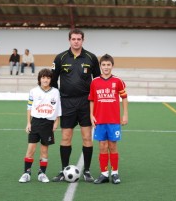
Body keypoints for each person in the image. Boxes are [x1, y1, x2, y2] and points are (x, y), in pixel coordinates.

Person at [51, 28, 101, 182]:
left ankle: (86, 171)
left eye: (79, 39)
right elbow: (53, 81)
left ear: (83, 40)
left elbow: (98, 81)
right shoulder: (60, 58)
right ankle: (63, 170)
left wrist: (96, 103)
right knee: (66, 137)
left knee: (87, 137)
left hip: (86, 103)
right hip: (67, 103)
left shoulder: (91, 58)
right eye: (73, 39)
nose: (76, 41)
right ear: (69, 40)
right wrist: (58, 99)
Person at [88, 54, 128, 184]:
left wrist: (125, 114)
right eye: (103, 65)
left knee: (113, 146)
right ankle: (104, 174)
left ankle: (115, 173)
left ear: (112, 66)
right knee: (102, 146)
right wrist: (91, 115)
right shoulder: (94, 82)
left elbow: (124, 98)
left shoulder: (118, 81)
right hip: (99, 120)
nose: (106, 67)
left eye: (108, 65)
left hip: (113, 120)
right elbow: (92, 100)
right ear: (100, 66)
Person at [19, 68, 62, 183]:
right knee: (31, 149)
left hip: (48, 124)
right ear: (39, 79)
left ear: (51, 80)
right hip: (35, 122)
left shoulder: (55, 92)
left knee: (44, 150)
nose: (45, 80)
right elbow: (29, 107)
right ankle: (26, 173)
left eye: (48, 78)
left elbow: (58, 108)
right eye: (43, 77)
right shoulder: (33, 91)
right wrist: (28, 123)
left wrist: (56, 122)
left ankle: (42, 173)